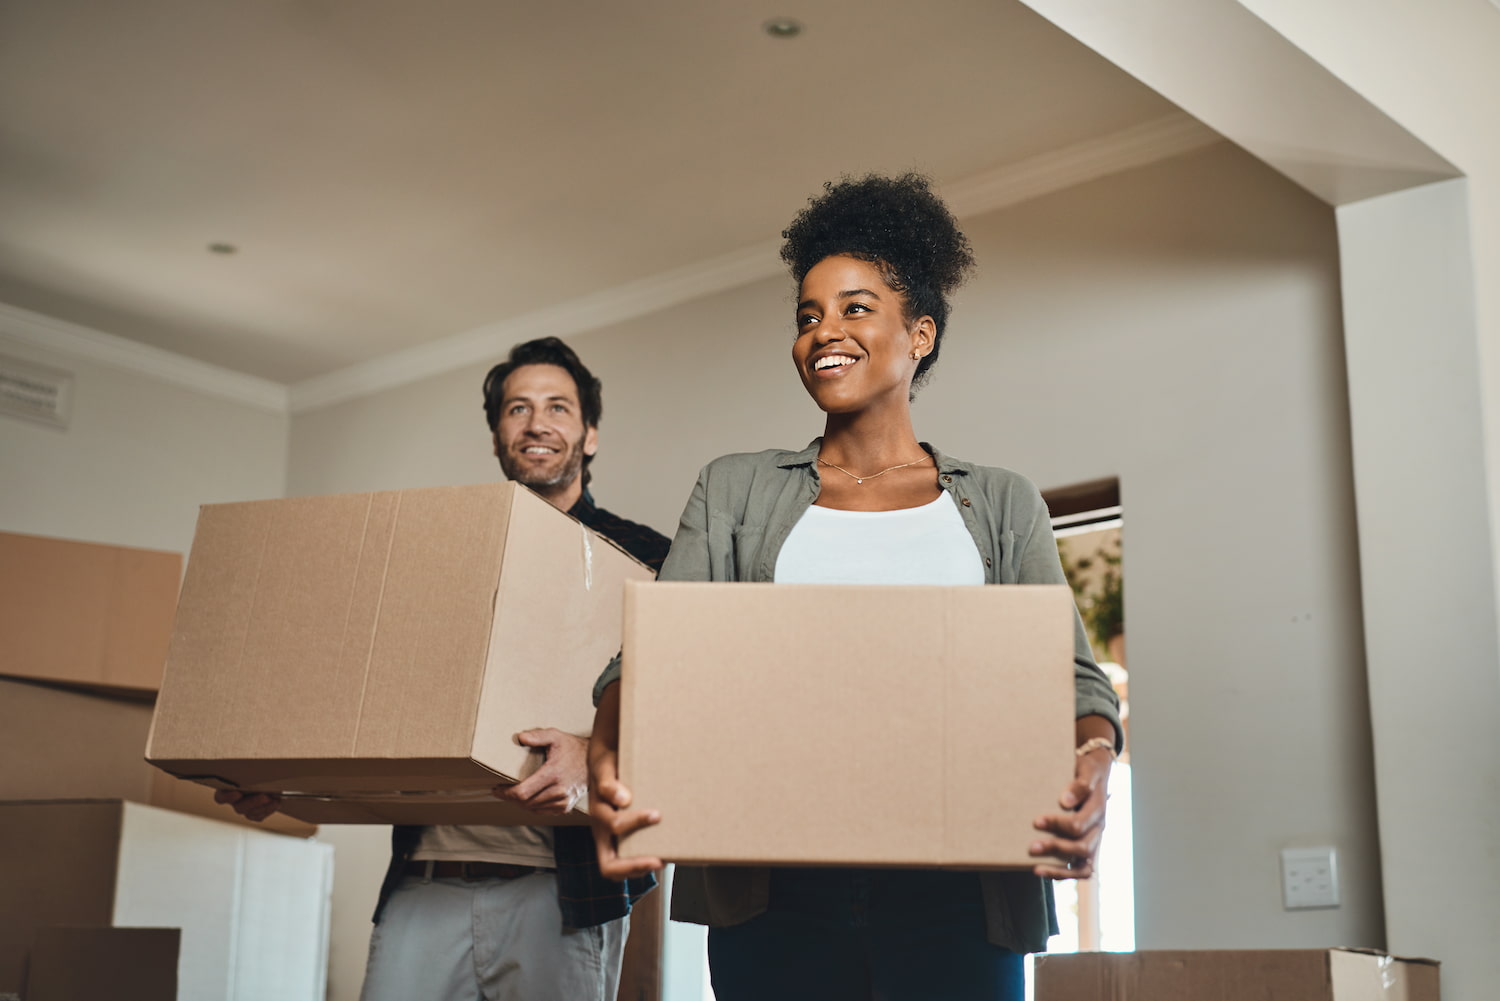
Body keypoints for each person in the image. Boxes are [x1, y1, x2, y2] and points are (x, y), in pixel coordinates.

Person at [586, 174, 1123, 1001]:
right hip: (774, 895)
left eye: (855, 307)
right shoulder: (733, 490)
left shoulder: (1004, 501)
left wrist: (1093, 761)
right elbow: (654, 657)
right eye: (807, 315)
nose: (823, 332)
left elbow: (1074, 680)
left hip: (962, 896)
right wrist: (611, 748)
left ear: (922, 332)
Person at [219, 336, 669, 1001]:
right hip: (426, 878)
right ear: (496, 438)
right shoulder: (441, 554)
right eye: (517, 409)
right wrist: (284, 779)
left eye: (557, 407)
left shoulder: (646, 557)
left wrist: (593, 749)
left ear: (590, 433)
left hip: (562, 889)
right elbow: (375, 699)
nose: (537, 423)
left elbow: (684, 712)